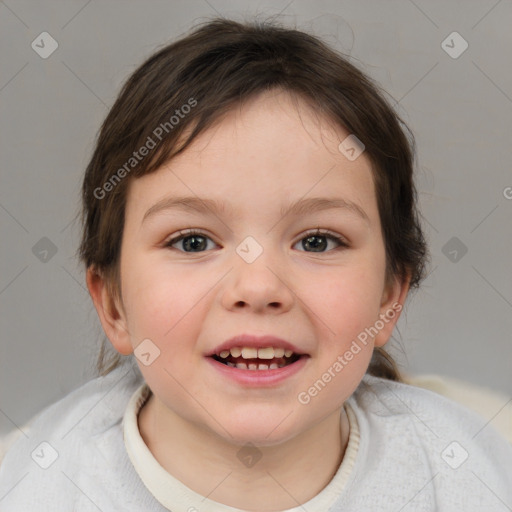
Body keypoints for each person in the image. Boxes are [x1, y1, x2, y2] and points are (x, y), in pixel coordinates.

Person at [0, 17, 510, 511]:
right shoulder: (30, 487)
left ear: (388, 297)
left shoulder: (480, 476)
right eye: (194, 241)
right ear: (113, 304)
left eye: (316, 242)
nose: (259, 286)